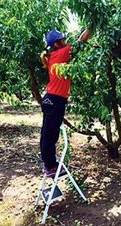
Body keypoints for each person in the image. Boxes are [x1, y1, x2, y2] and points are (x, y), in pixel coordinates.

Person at [40, 28, 93, 178]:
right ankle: (50, 166)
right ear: (57, 44)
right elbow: (81, 42)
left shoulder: (54, 56)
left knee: (48, 132)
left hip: (52, 99)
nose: (65, 41)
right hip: (55, 100)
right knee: (50, 134)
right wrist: (92, 26)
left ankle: (48, 164)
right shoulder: (61, 53)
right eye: (62, 40)